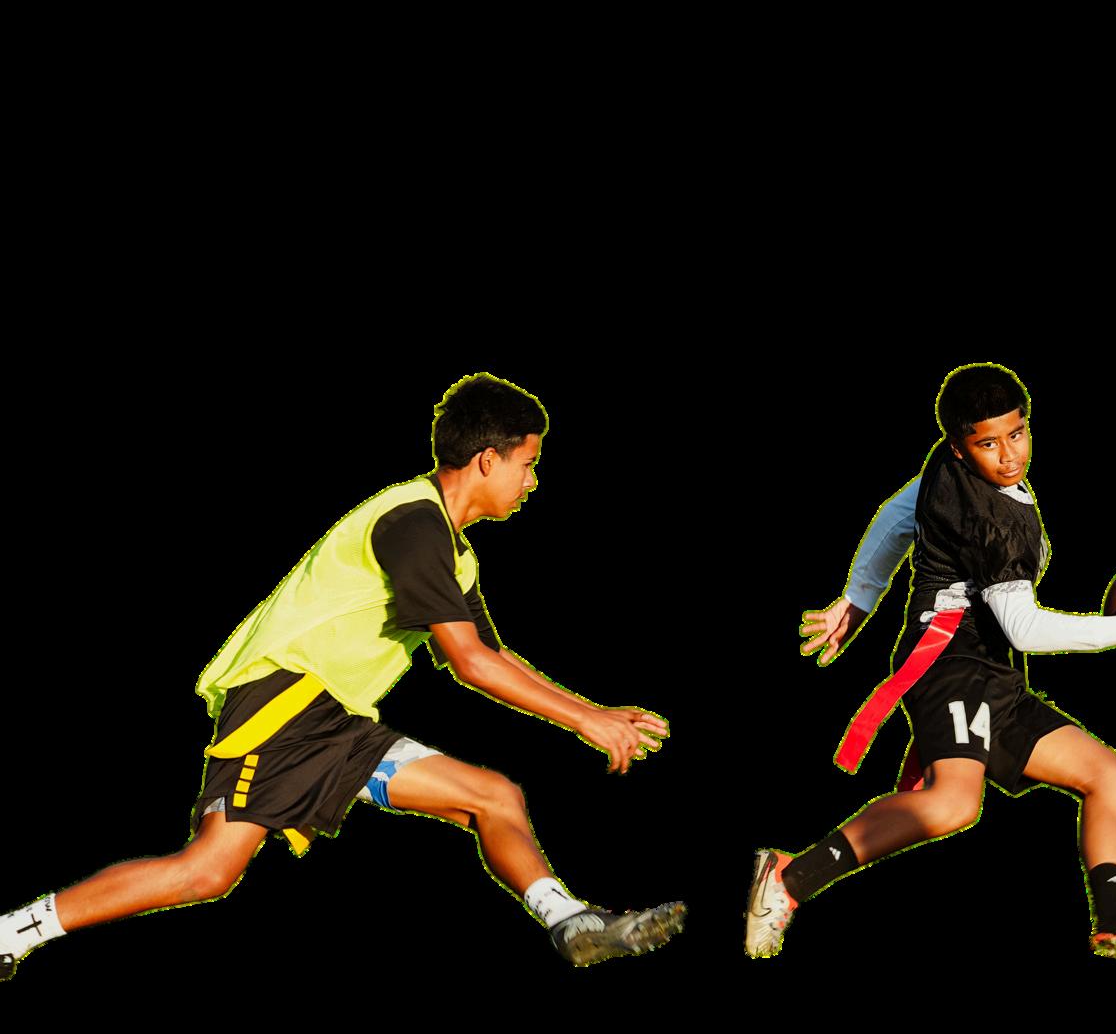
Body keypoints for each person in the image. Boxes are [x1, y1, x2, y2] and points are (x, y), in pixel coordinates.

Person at [2, 373, 685, 979]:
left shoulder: (455, 552)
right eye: (528, 464)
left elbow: (491, 653)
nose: (531, 482)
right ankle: (11, 932)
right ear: (487, 459)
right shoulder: (412, 522)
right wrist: (585, 721)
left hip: (333, 719)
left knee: (493, 796)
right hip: (282, 702)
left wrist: (593, 708)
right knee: (206, 872)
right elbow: (469, 663)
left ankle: (572, 922)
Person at [744, 362, 1116, 964]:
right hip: (951, 660)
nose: (1009, 454)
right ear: (959, 448)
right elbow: (1024, 627)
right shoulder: (992, 522)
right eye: (988, 444)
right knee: (953, 803)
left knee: (1113, 778)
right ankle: (787, 879)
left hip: (990, 670)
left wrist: (858, 596)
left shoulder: (949, 470)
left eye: (1016, 433)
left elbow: (899, 513)